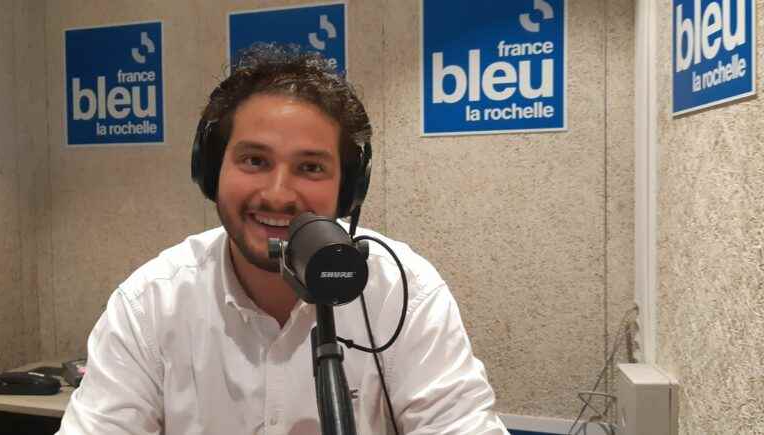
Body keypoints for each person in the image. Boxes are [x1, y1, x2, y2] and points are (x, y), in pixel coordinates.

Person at [57, 43, 507, 435]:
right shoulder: (150, 303)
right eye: (254, 160)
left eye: (310, 167)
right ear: (211, 171)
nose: (277, 194)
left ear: (348, 189)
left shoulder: (400, 289)